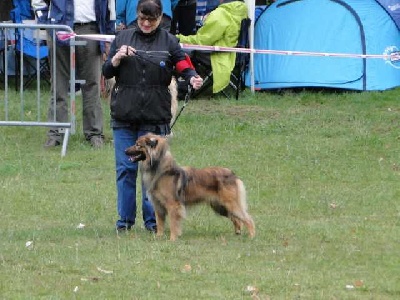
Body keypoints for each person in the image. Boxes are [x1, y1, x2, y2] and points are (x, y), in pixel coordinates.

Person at [102, 0, 203, 232]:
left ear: (160, 18)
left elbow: (183, 65)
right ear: (136, 16)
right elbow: (107, 70)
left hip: (155, 117)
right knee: (125, 169)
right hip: (124, 116)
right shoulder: (122, 38)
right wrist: (116, 59)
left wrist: (193, 77)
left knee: (155, 173)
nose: (146, 23)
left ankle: (153, 224)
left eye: (151, 20)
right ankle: (124, 223)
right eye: (142, 19)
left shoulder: (169, 41)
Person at [32, 0, 116, 148]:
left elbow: (110, 6)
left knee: (92, 84)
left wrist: (108, 34)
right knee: (59, 83)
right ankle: (56, 133)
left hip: (92, 28)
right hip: (60, 27)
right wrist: (45, 20)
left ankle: (94, 133)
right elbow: (37, 1)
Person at [177, 0, 247, 93]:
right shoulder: (242, 10)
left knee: (181, 51)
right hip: (234, 54)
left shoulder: (220, 14)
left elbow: (202, 41)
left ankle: (185, 84)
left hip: (217, 55)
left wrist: (178, 38)